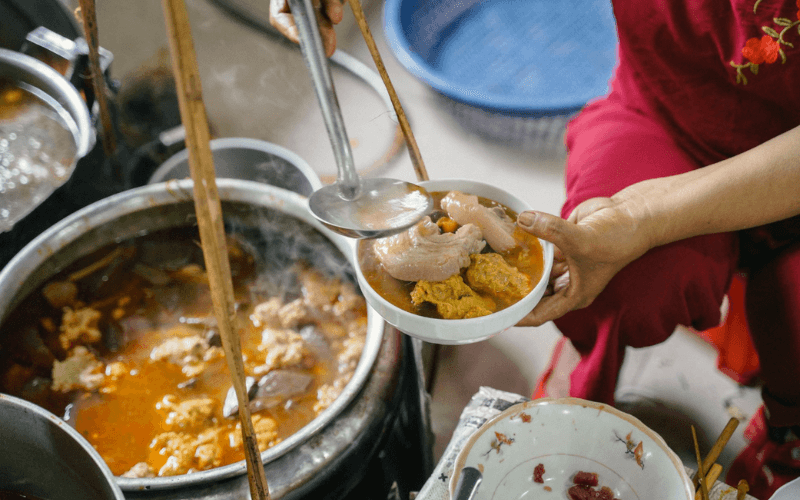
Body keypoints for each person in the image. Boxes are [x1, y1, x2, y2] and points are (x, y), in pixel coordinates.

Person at [269, 0, 800, 497]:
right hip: (668, 108)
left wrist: (643, 216)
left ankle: (788, 435)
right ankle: (581, 362)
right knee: (603, 281)